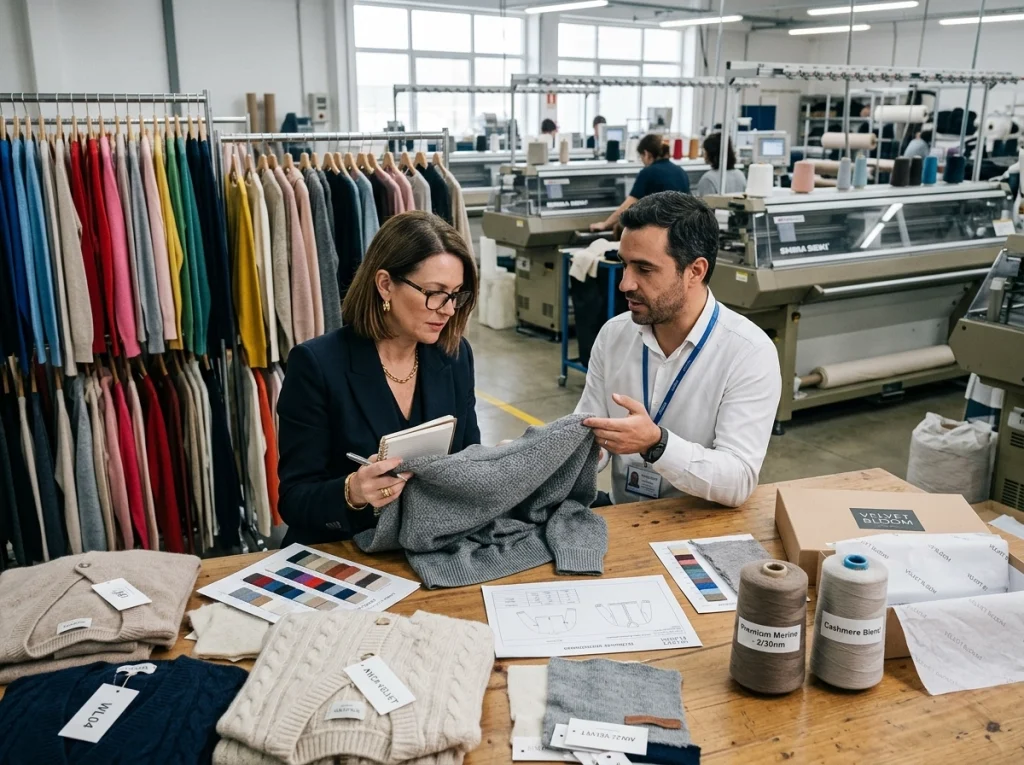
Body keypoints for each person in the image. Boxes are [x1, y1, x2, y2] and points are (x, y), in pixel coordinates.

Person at [277, 211, 481, 544]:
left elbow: (468, 458)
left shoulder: (454, 356)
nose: (447, 309)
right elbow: (295, 500)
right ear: (385, 285)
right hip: (342, 548)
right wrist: (352, 491)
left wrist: (494, 462)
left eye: (456, 295)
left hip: (426, 545)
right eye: (435, 293)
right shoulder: (317, 365)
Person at [576, 191, 781, 507]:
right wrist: (559, 454)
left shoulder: (749, 353)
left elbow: (738, 479)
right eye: (624, 264)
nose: (625, 284)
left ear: (695, 271)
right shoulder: (614, 335)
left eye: (644, 269)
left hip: (700, 524)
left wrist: (657, 445)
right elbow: (591, 432)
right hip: (626, 514)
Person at [590, 133, 690, 232]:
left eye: (641, 157)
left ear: (646, 154)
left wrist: (605, 224)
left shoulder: (648, 172)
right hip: (681, 231)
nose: (643, 162)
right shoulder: (681, 172)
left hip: (660, 233)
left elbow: (629, 205)